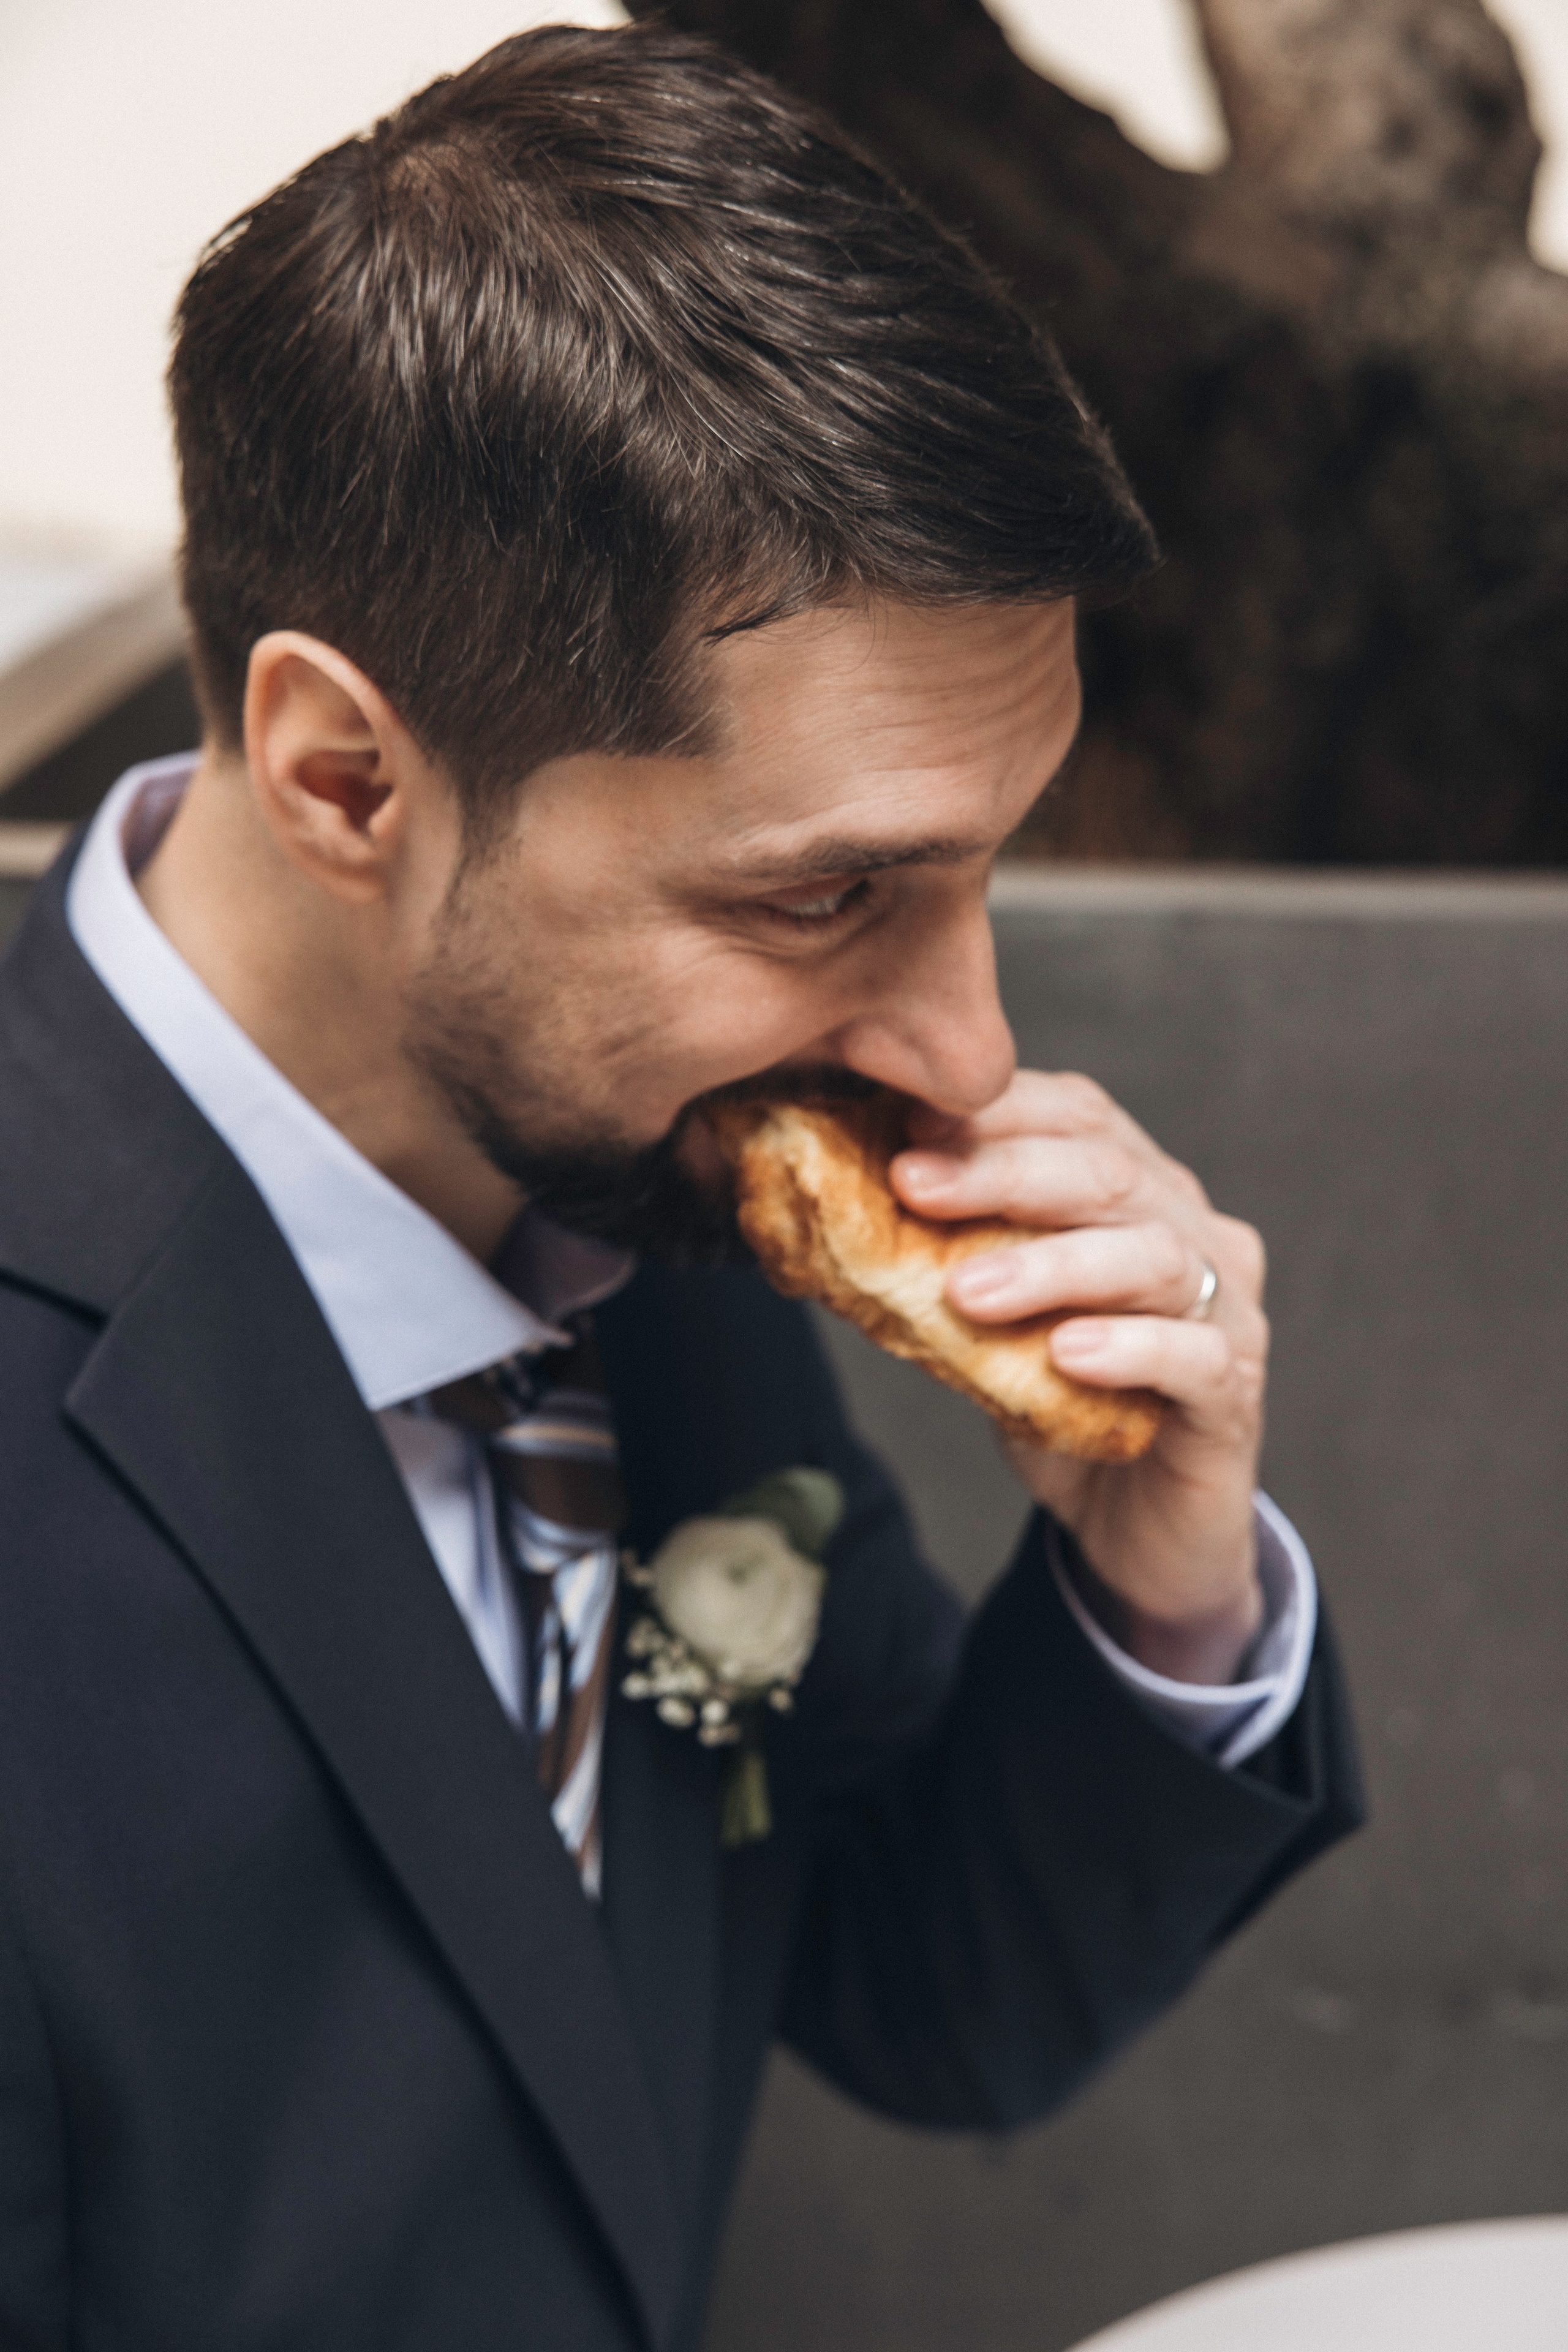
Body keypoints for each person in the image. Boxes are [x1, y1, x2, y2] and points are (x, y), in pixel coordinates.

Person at [0, 24, 1362, 2351]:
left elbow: (921, 1990)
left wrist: (1162, 1589)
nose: (971, 1056)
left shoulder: (652, 1200)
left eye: (986, 872)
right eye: (828, 898)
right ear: (346, 777)